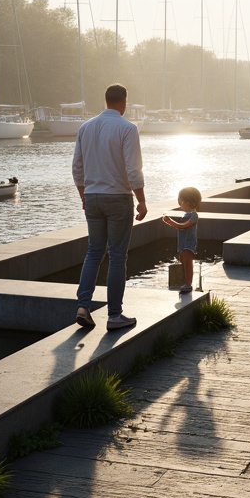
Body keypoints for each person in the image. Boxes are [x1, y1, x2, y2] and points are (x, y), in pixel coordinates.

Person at [71, 83, 147, 331]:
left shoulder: (86, 127)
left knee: (94, 252)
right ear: (124, 102)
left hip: (92, 196)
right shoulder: (127, 128)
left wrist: (84, 195)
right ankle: (114, 315)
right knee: (116, 256)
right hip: (117, 198)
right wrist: (142, 199)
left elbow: (77, 168)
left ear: (106, 101)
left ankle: (83, 306)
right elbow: (132, 169)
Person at [161, 186, 201, 295]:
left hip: (189, 243)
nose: (180, 204)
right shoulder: (186, 214)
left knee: (188, 263)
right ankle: (185, 282)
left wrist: (170, 221)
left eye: (181, 201)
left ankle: (188, 283)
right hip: (183, 243)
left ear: (188, 202)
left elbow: (183, 226)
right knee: (184, 262)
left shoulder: (194, 215)